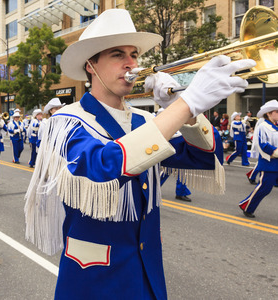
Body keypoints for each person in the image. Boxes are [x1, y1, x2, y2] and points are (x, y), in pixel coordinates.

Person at [24, 9, 255, 299]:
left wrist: (184, 108)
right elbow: (102, 168)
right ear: (90, 66)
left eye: (134, 54)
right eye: (118, 54)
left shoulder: (144, 121)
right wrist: (185, 105)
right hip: (93, 279)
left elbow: (203, 157)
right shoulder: (65, 122)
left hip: (145, 274)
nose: (132, 63)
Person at [239, 100, 278, 218]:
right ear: (269, 113)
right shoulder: (263, 126)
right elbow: (263, 144)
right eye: (277, 111)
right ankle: (247, 206)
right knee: (264, 188)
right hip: (269, 163)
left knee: (265, 188)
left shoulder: (275, 126)